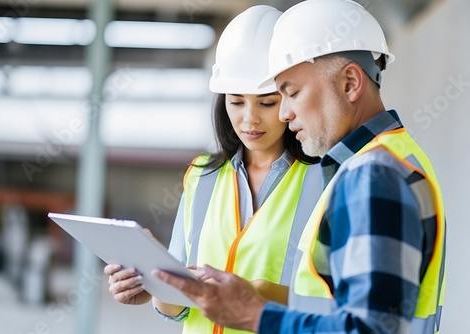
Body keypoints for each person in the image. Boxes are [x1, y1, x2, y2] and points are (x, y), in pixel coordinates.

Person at [154, 0, 447, 333]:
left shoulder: (372, 175)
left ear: (350, 83)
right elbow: (345, 307)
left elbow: (369, 328)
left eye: (290, 94)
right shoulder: (384, 162)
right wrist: (260, 295)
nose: (283, 114)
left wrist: (255, 313)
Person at [104, 5, 323, 334]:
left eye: (266, 102)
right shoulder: (202, 175)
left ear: (289, 96)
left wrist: (257, 295)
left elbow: (336, 306)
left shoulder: (326, 178)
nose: (249, 119)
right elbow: (177, 306)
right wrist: (151, 281)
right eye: (236, 102)